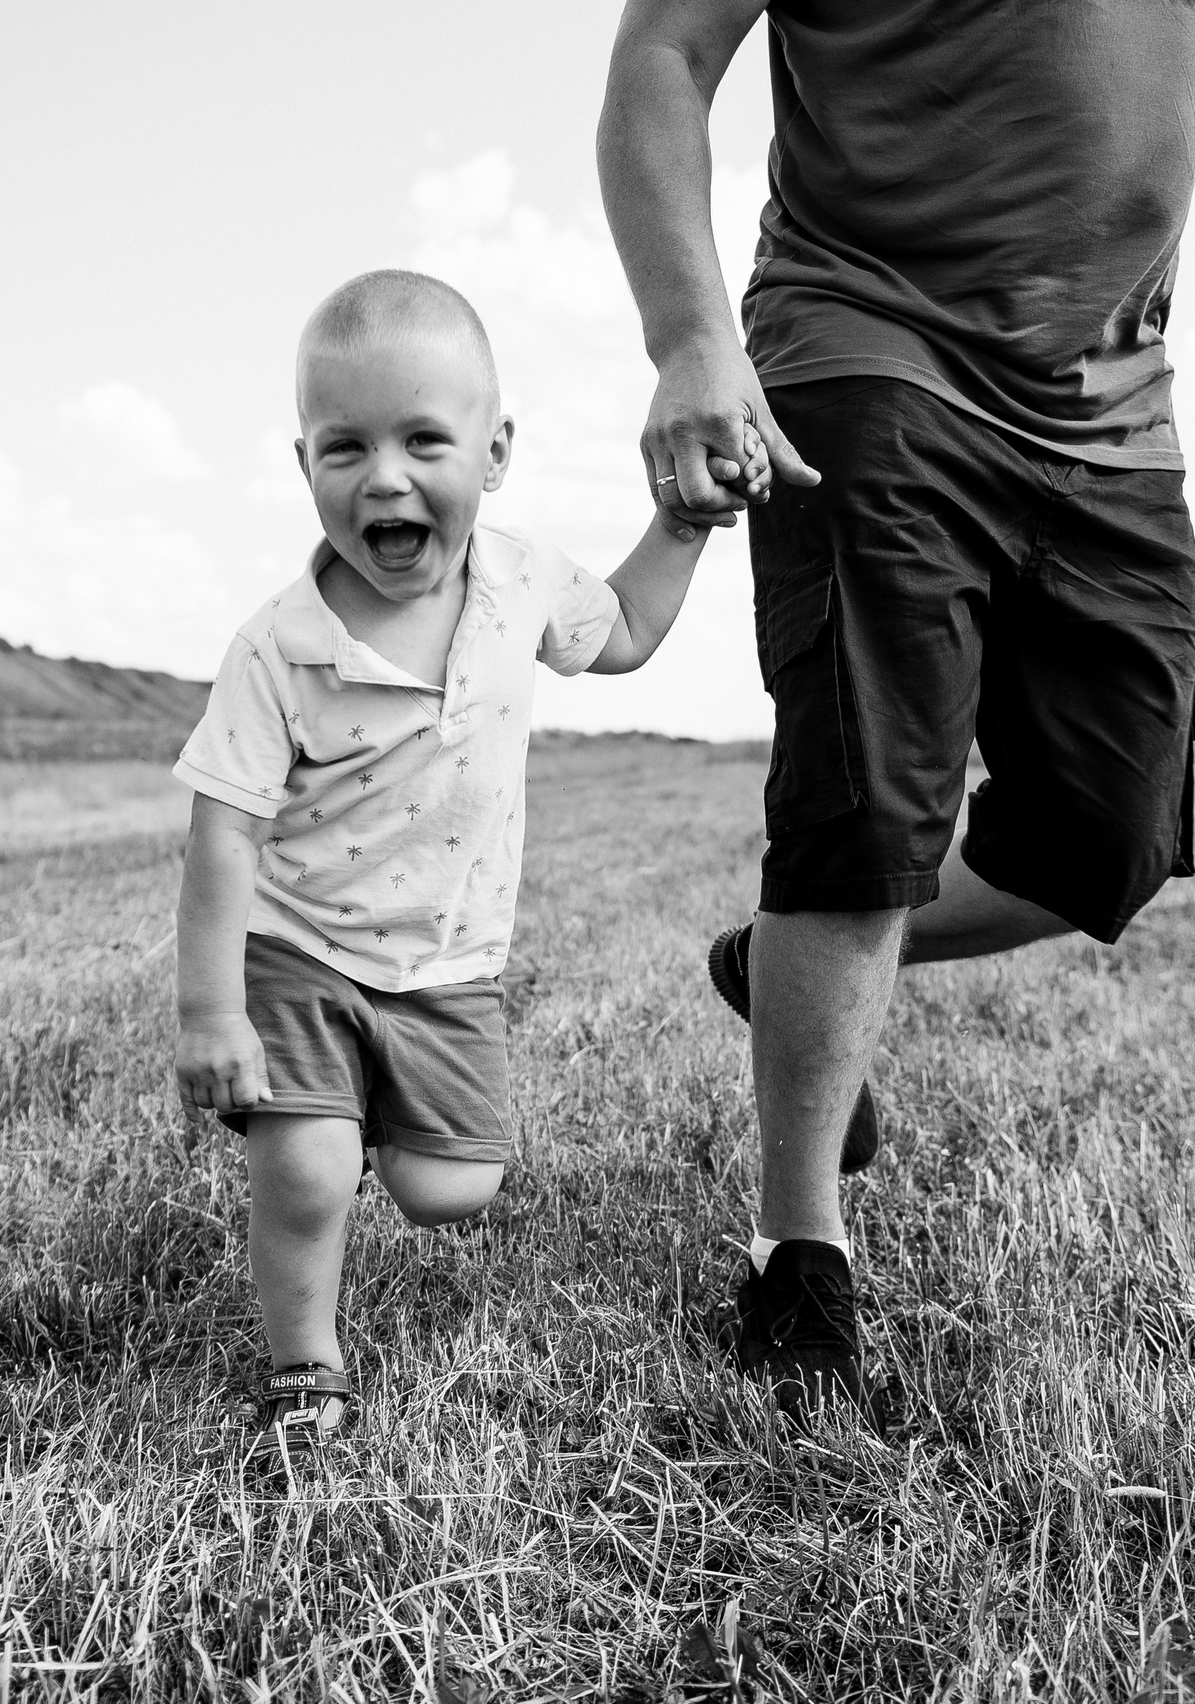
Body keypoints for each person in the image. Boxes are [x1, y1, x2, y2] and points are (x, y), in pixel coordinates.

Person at [598, 0, 1195, 1422]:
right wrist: (691, 335)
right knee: (869, 805)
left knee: (1106, 835)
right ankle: (796, 1250)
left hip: (1108, 411)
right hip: (855, 348)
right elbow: (663, 56)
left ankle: (787, 969)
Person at [170, 269, 743, 1468]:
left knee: (449, 1191)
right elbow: (221, 832)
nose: (383, 476)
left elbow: (626, 635)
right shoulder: (281, 647)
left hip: (448, 964)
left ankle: (367, 1115)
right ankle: (302, 1364)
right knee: (311, 1172)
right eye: (346, 447)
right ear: (304, 464)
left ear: (493, 453)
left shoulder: (521, 579)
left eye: (422, 439)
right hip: (302, 947)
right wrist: (214, 1012)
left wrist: (681, 527)